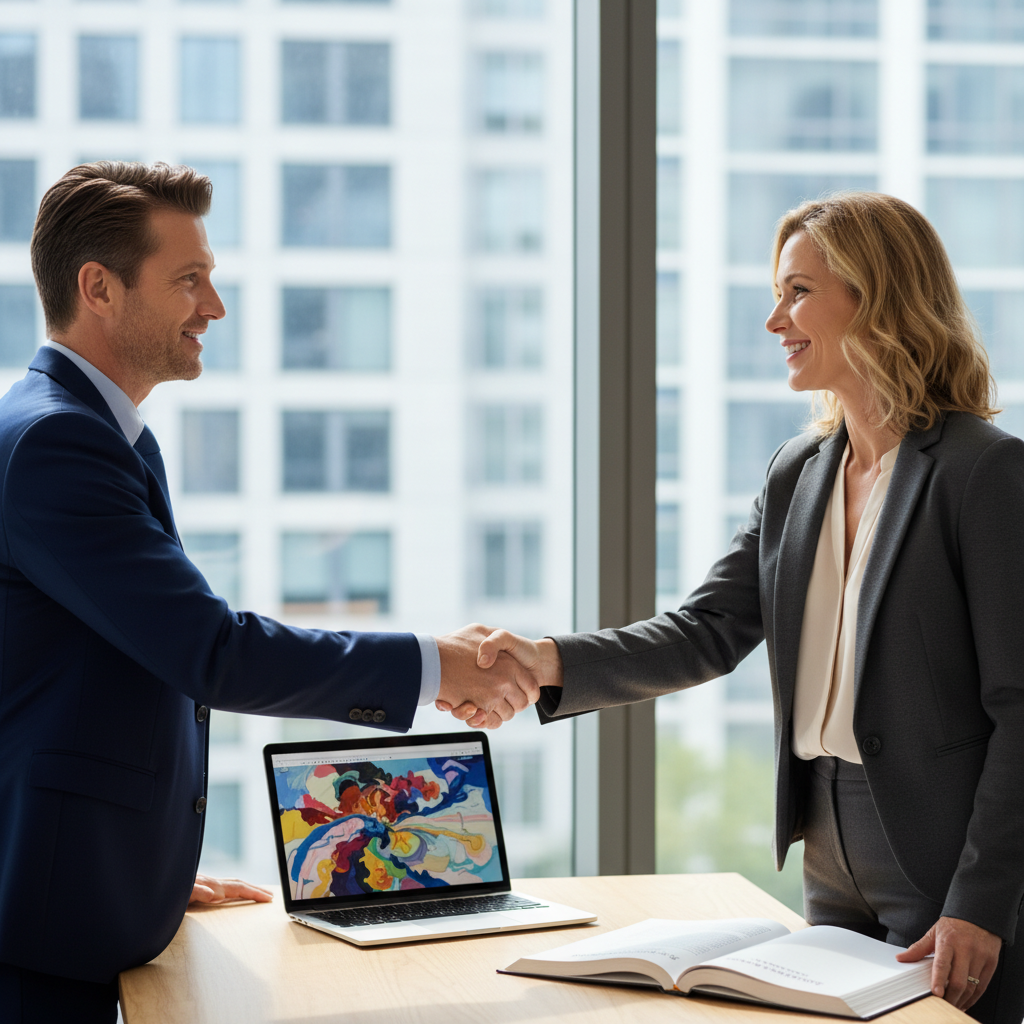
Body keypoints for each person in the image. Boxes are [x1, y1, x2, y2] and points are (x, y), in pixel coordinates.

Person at [444, 192, 1024, 1024]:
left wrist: (981, 898)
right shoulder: (799, 471)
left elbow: (1020, 708)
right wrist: (543, 662)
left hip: (943, 859)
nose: (773, 320)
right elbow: (708, 630)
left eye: (796, 292)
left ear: (876, 297)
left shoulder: (982, 472)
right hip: (825, 847)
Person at [0, 161, 536, 1023]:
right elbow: (209, 650)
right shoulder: (58, 443)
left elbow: (87, 673)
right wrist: (435, 667)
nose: (213, 307)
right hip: (41, 938)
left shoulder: (96, 431)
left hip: (84, 902)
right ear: (98, 287)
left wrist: (142, 875)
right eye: (189, 280)